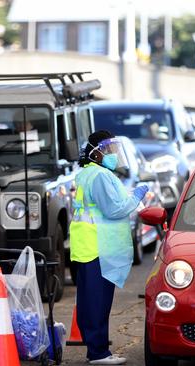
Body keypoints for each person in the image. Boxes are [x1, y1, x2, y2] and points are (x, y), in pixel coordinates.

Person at [69, 130, 149, 365]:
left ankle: (96, 349)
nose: (113, 154)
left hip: (87, 246)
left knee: (88, 300)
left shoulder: (87, 173)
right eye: (109, 150)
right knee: (97, 302)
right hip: (98, 247)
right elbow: (114, 210)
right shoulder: (101, 176)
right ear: (96, 153)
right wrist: (137, 196)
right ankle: (98, 353)